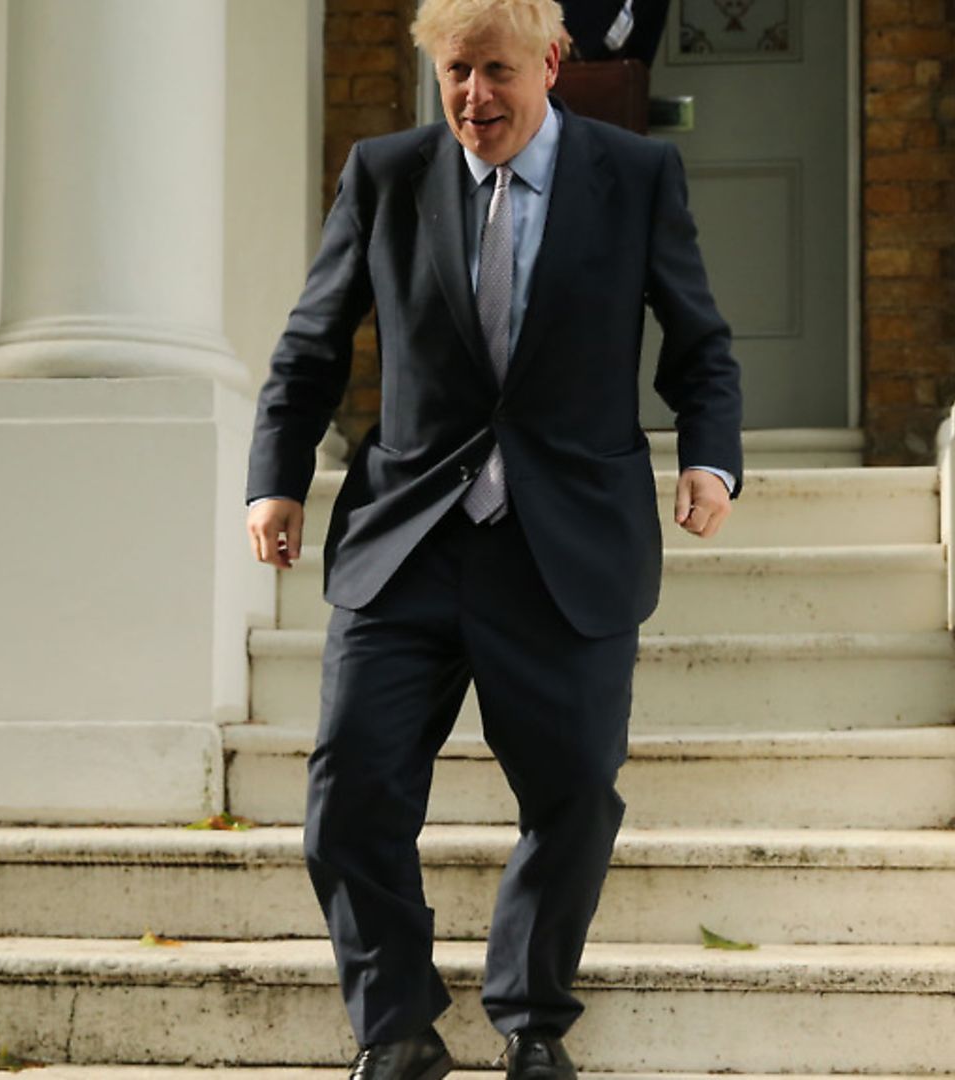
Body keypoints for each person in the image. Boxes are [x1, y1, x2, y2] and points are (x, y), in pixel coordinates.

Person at [244, 1, 742, 1077]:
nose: (476, 98)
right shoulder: (386, 175)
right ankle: (397, 1029)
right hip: (408, 540)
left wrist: (710, 456)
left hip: (565, 543)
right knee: (350, 797)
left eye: (499, 72)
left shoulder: (633, 177)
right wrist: (275, 480)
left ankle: (530, 1019)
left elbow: (699, 340)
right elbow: (311, 343)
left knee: (572, 796)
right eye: (457, 72)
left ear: (553, 63)